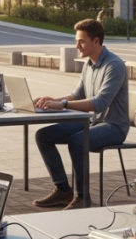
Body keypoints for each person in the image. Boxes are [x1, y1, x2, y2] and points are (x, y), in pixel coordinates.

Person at [32, 19, 130, 210]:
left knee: (77, 141)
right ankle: (62, 190)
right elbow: (77, 95)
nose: (77, 46)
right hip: (92, 123)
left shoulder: (114, 65)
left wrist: (62, 104)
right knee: (43, 135)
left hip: (114, 126)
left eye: (81, 41)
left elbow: (100, 103)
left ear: (96, 41)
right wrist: (50, 102)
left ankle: (83, 197)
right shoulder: (89, 65)